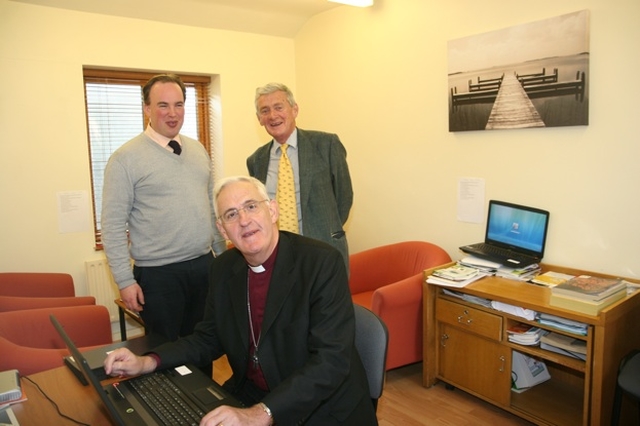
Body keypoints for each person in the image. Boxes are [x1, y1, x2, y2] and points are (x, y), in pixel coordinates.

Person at [104, 176, 377, 426]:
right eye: (231, 215)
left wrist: (261, 413)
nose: (244, 220)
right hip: (254, 393)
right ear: (223, 230)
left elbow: (331, 362)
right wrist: (146, 362)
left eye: (251, 207)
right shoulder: (223, 269)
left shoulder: (320, 263)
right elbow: (207, 338)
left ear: (272, 211)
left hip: (320, 407)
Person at [101, 73, 226, 342]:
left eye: (178, 104)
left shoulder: (198, 150)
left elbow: (210, 206)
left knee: (203, 345)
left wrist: (222, 256)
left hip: (204, 267)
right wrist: (124, 280)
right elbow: (112, 226)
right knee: (165, 355)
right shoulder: (125, 159)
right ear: (147, 108)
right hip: (159, 277)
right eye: (163, 105)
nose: (172, 113)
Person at [247, 83, 353, 269]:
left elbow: (344, 198)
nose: (273, 116)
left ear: (294, 109)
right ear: (259, 119)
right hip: (277, 255)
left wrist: (327, 228)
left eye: (279, 107)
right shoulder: (256, 160)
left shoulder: (326, 145)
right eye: (265, 111)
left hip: (323, 250)